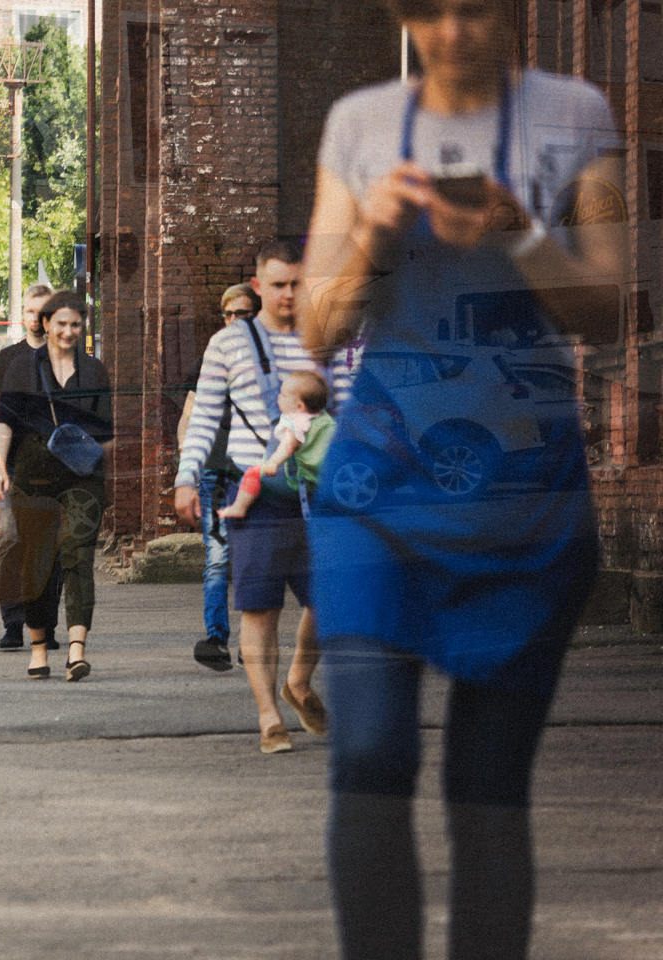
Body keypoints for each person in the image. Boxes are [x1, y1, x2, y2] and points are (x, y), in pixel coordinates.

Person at [299, 2, 626, 958]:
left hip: (526, 505)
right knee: (367, 757)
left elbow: (609, 309)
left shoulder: (576, 115)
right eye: (429, 13)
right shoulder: (360, 124)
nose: (452, 35)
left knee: (487, 790)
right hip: (378, 497)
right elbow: (318, 327)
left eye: (474, 9)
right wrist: (376, 237)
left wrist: (521, 233)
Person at [174, 240, 354, 753]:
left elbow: (344, 415)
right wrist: (187, 477)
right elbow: (206, 417)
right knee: (260, 611)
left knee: (331, 601)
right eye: (278, 285)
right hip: (257, 494)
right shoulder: (227, 345)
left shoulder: (326, 344)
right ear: (258, 286)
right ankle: (269, 717)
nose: (289, 295)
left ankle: (297, 682)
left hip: (319, 495)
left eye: (298, 284)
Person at [0, 291, 112, 682]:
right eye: (60, 323)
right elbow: (4, 422)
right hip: (33, 475)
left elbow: (107, 431)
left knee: (78, 555)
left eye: (76, 324)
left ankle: (77, 649)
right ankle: (39, 645)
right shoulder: (20, 368)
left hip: (82, 478)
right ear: (46, 325)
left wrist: (98, 453)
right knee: (37, 562)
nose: (68, 331)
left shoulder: (94, 372)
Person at [177, 282, 259, 670]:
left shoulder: (270, 357)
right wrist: (187, 474)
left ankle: (252, 642)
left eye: (240, 314)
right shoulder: (212, 358)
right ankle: (216, 640)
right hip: (214, 472)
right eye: (227, 315)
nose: (232, 322)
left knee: (253, 559)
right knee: (218, 558)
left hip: (255, 473)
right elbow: (189, 418)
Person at [0, 283, 64, 650]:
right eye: (30, 311)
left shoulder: (66, 357)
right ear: (23, 315)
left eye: (42, 312)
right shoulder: (8, 358)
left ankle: (46, 625)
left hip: (55, 466)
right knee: (13, 541)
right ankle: (13, 623)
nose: (35, 318)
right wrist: (6, 418)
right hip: (11, 465)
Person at [217, 371, 334, 520]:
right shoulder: (324, 418)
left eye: (284, 395)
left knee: (253, 473)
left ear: (299, 406)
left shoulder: (296, 422)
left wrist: (273, 462)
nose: (279, 397)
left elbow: (288, 446)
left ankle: (239, 507)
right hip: (324, 476)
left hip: (302, 479)